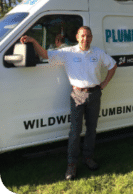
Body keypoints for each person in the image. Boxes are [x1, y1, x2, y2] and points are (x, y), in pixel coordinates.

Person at [20, 26, 117, 180]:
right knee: (75, 131)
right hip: (77, 95)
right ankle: (71, 165)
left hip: (95, 95)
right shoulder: (68, 52)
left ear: (91, 38)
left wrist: (104, 84)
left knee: (92, 129)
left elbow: (112, 65)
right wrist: (33, 41)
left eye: (88, 36)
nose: (86, 38)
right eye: (83, 35)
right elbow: (45, 54)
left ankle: (88, 158)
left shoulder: (97, 53)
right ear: (77, 37)